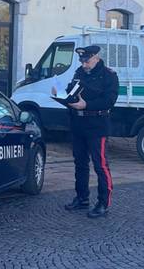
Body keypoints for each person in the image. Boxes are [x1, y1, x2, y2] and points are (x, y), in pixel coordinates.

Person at [52, 45, 119, 218]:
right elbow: (71, 92)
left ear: (96, 57)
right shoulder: (79, 72)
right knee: (80, 163)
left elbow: (109, 100)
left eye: (87, 61)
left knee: (100, 165)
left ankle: (103, 203)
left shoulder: (109, 75)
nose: (84, 64)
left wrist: (87, 105)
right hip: (78, 123)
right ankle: (82, 198)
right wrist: (60, 94)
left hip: (97, 124)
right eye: (82, 61)